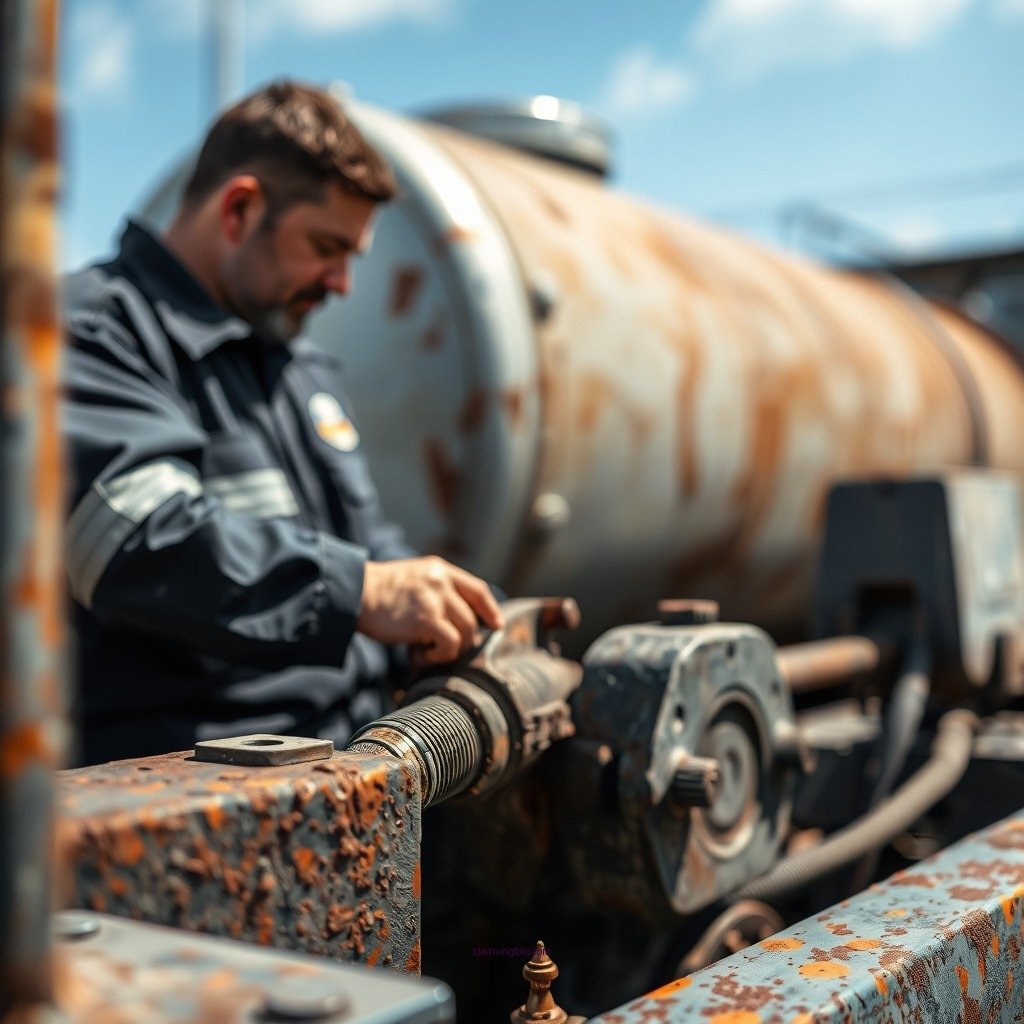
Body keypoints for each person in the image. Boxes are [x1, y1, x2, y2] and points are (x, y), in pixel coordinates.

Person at [62, 81, 503, 766]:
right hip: (197, 786)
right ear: (239, 209)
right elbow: (137, 539)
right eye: (327, 246)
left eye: (352, 256)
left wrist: (459, 609)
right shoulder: (85, 334)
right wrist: (361, 591)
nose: (341, 283)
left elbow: (365, 542)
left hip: (358, 758)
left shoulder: (298, 366)